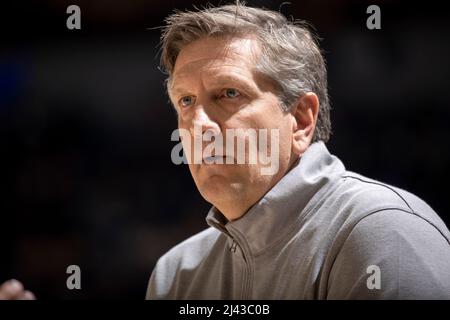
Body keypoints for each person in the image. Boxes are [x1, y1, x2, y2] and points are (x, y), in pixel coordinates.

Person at [146, 2, 450, 299]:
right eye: (186, 101)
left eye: (229, 93)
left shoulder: (384, 233)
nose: (199, 125)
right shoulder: (174, 275)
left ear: (302, 118)